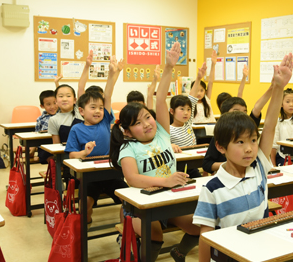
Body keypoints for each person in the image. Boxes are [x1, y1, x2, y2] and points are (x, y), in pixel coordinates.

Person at [193, 54, 293, 262]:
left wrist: (279, 87)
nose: (249, 149)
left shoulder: (259, 167)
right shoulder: (212, 189)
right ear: (220, 147)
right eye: (240, 142)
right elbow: (206, 237)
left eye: (254, 141)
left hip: (260, 252)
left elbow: (271, 124)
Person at [109, 42, 200, 262]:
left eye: (147, 117)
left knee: (200, 226)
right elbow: (132, 178)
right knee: (155, 237)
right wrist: (166, 181)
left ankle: (179, 252)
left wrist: (169, 68)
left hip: (172, 199)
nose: (147, 124)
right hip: (141, 204)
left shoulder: (161, 133)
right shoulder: (128, 148)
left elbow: (160, 99)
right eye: (138, 123)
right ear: (128, 131)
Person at [65, 55, 128, 223]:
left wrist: (112, 73)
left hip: (111, 173)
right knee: (84, 205)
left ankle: (127, 233)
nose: (98, 111)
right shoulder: (76, 129)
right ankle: (85, 227)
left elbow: (108, 94)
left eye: (100, 107)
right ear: (81, 111)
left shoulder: (106, 121)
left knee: (130, 201)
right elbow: (71, 155)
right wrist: (83, 153)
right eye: (93, 107)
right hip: (89, 176)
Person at [202, 69, 273, 174]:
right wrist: (230, 164)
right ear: (225, 114)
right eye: (236, 111)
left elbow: (258, 108)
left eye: (245, 112)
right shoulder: (221, 135)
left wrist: (273, 88)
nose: (242, 115)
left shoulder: (248, 127)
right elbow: (207, 165)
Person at [191, 49, 217, 124]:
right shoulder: (191, 103)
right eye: (197, 91)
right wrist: (198, 77)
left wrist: (213, 64)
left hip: (211, 129)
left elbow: (211, 82)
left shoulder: (206, 99)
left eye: (201, 90)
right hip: (198, 131)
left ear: (205, 91)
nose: (199, 93)